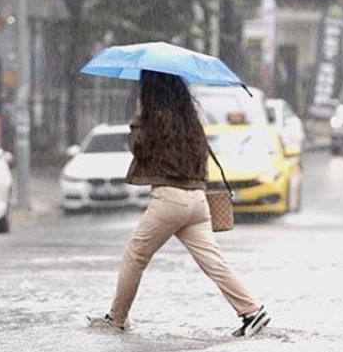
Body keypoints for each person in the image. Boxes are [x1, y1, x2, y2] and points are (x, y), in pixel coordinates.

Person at [89, 70, 270, 338]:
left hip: (169, 200)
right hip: (197, 201)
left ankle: (116, 318)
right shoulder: (190, 120)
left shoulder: (154, 120)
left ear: (151, 90)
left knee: (135, 255)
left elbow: (138, 147)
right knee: (214, 262)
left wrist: (140, 116)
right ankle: (252, 311)